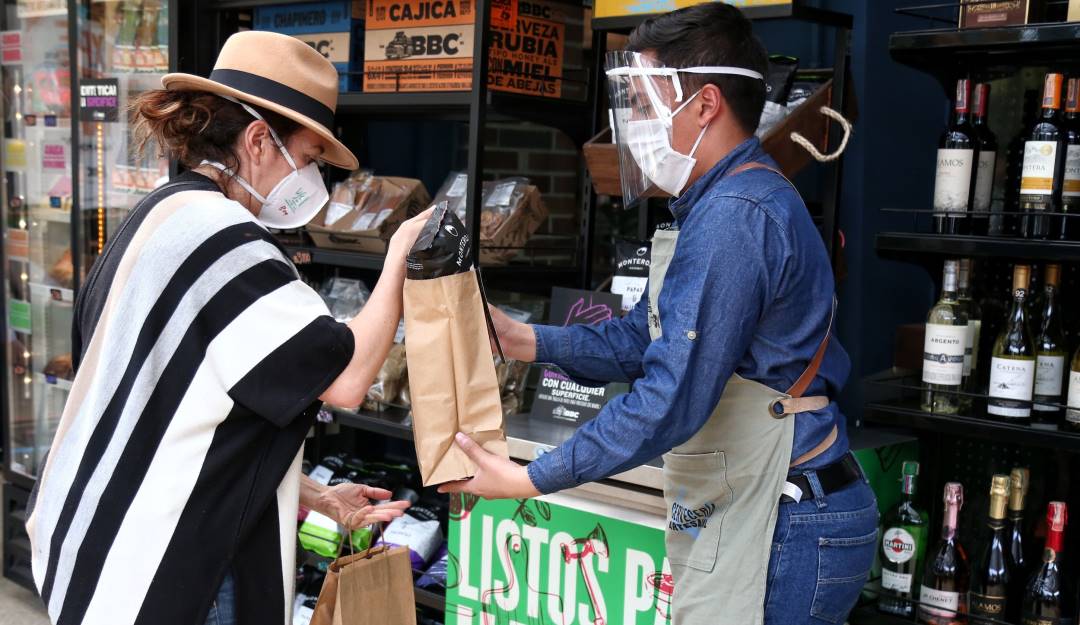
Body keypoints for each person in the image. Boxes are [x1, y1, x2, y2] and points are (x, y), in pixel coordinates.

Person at [440, 5, 878, 625]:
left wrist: (532, 478)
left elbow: (671, 395)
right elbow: (644, 339)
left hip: (789, 515)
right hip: (767, 500)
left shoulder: (735, 216)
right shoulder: (714, 204)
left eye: (645, 104)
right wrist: (525, 340)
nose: (635, 124)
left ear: (705, 105)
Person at [25, 31, 427, 625]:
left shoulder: (160, 213)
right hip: (175, 570)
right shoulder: (230, 244)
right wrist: (399, 257)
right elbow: (344, 380)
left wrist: (315, 495)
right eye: (310, 158)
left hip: (101, 547)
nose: (312, 179)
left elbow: (181, 407)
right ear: (259, 140)